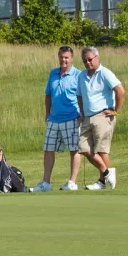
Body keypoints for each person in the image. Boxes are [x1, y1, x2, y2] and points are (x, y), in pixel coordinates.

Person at [32, 46, 82, 192]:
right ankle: (46, 183)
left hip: (72, 117)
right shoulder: (53, 73)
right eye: (61, 57)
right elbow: (48, 95)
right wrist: (47, 114)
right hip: (54, 118)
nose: (63, 60)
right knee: (48, 149)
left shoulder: (78, 75)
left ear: (71, 58)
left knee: (74, 150)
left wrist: (82, 115)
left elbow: (82, 96)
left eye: (66, 57)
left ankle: (72, 182)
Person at [77, 46, 125, 190]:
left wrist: (116, 111)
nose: (87, 63)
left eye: (90, 60)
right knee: (83, 148)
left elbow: (120, 90)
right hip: (87, 117)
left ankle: (102, 182)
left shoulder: (105, 73)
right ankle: (107, 172)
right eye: (84, 61)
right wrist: (82, 112)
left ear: (97, 58)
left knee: (102, 150)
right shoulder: (81, 75)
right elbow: (79, 95)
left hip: (103, 115)